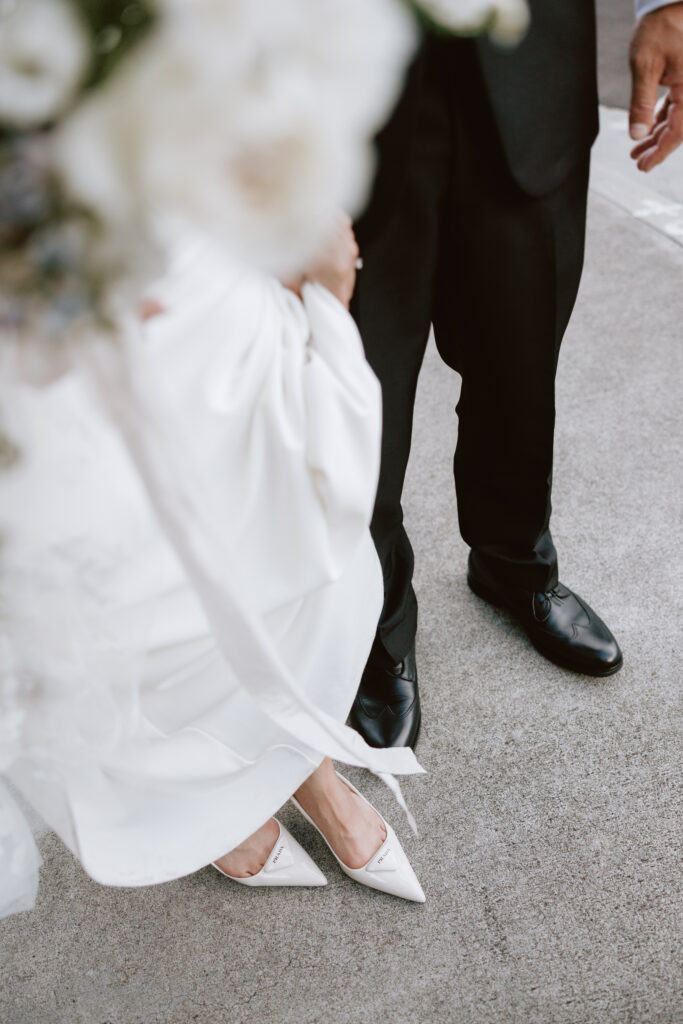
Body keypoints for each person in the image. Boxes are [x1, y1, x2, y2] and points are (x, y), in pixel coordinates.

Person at [0, 220, 426, 918]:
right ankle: (216, 794)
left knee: (265, 536)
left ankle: (308, 773)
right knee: (135, 593)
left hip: (190, 264)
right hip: (48, 315)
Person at [348, 0, 683, 750]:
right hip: (338, 89)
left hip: (530, 62)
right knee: (355, 404)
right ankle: (370, 619)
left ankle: (511, 563)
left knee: (519, 364)